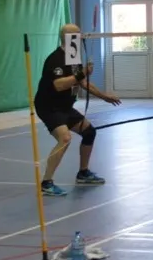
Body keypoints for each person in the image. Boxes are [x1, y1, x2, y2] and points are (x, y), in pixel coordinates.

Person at [34, 23, 121, 197]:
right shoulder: (56, 59)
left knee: (89, 132)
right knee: (65, 138)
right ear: (68, 38)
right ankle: (46, 183)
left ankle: (83, 173)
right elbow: (59, 85)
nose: (81, 37)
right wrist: (82, 73)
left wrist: (104, 96)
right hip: (49, 107)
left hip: (65, 107)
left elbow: (82, 83)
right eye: (77, 34)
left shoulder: (73, 57)